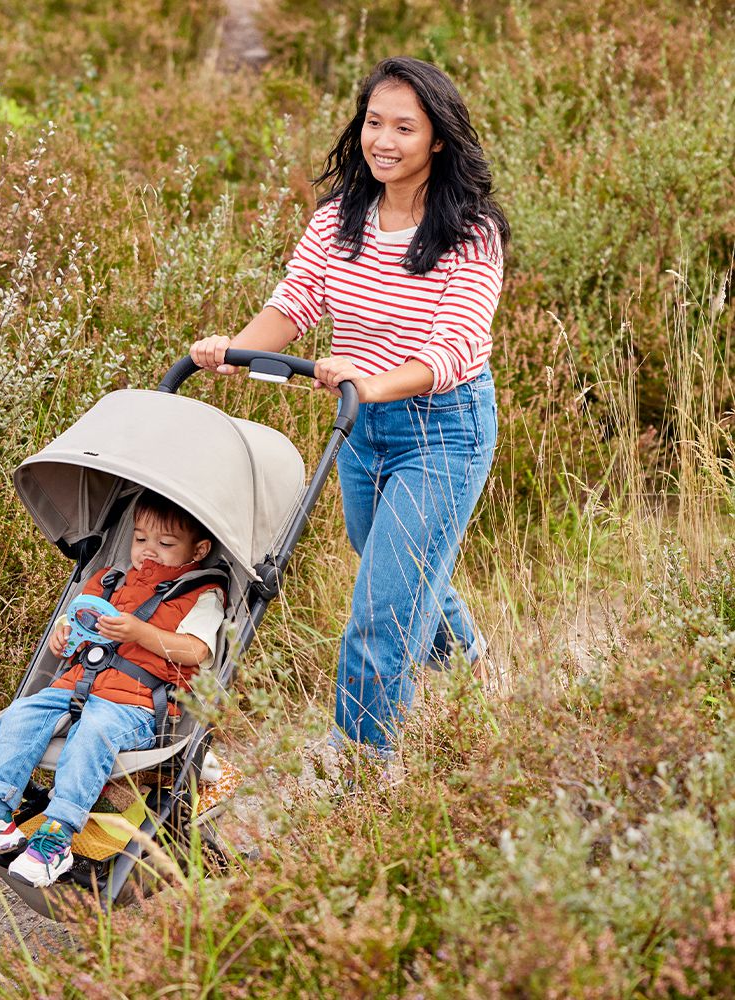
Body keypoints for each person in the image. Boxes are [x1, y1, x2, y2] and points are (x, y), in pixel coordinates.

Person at [190, 56, 508, 755]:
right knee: (390, 561)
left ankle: (361, 769)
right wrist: (234, 350)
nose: (383, 141)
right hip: (362, 426)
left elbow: (454, 347)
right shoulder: (341, 217)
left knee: (380, 612)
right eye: (373, 123)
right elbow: (297, 301)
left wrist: (369, 380)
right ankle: (464, 657)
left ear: (438, 141)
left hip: (443, 430)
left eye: (404, 127)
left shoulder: (471, 233)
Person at [0, 491, 225, 887]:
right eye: (140, 540)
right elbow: (73, 626)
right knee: (18, 715)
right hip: (77, 686)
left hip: (134, 704)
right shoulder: (108, 581)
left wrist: (140, 632)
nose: (149, 551)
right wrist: (63, 637)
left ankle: (58, 835)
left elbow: (197, 649)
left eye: (165, 544)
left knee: (93, 732)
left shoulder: (201, 594)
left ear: (199, 549)